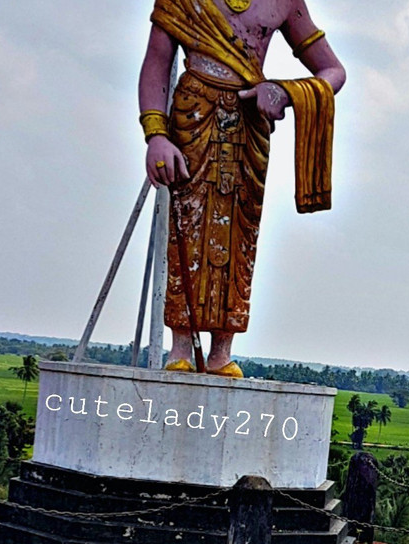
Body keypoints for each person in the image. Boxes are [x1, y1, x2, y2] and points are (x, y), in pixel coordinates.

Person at [138, 0, 345, 376]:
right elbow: (157, 61)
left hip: (249, 125)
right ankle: (180, 345)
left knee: (238, 237)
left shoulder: (285, 3)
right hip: (192, 118)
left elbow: (332, 71)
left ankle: (221, 350)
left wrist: (284, 91)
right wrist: (156, 135)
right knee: (187, 225)